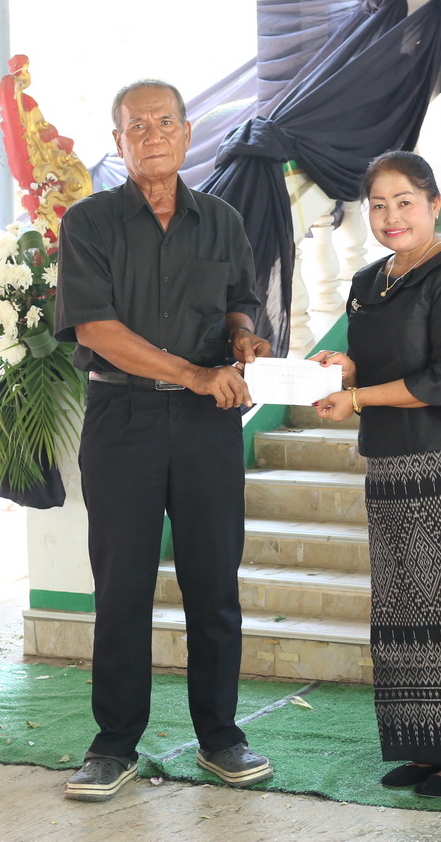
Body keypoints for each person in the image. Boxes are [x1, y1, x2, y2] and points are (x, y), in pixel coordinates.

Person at [53, 79, 273, 802]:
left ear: (187, 132)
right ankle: (114, 745)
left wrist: (242, 340)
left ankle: (221, 737)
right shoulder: (89, 223)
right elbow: (97, 329)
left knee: (214, 583)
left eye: (164, 122)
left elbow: (240, 302)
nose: (152, 135)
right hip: (123, 420)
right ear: (117, 141)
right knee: (122, 587)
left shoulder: (223, 220)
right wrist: (194, 373)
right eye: (136, 126)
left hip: (208, 426)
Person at [311, 150, 441, 797]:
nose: (391, 215)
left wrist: (358, 397)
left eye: (404, 202)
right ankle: (427, 744)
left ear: (433, 204)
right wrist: (343, 370)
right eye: (378, 204)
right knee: (402, 606)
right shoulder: (368, 280)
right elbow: (371, 362)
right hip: (390, 463)